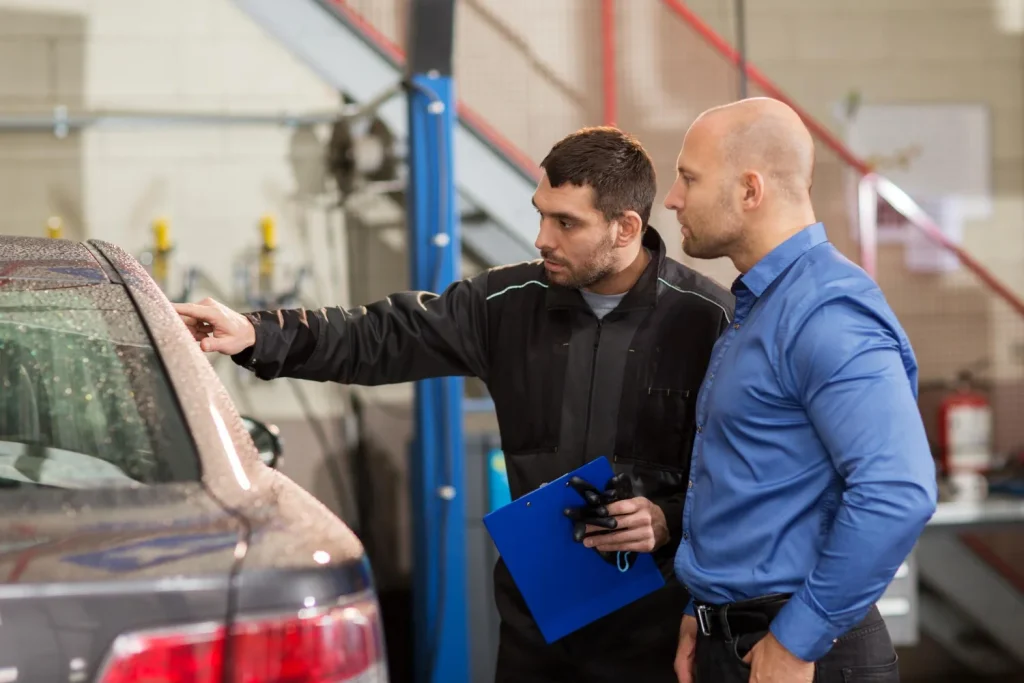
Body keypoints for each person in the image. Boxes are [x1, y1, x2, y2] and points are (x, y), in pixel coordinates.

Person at [173, 126, 734, 683]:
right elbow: (377, 336)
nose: (541, 238)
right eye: (541, 213)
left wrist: (671, 518)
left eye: (566, 222)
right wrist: (253, 333)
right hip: (538, 621)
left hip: (659, 626)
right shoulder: (505, 305)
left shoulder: (711, 322)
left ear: (626, 227)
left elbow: (753, 477)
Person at [663, 97, 938, 683]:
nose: (673, 198)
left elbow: (897, 491)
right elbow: (753, 487)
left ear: (750, 190)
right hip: (737, 638)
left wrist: (796, 640)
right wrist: (705, 609)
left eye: (689, 178)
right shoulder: (761, 307)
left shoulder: (826, 311)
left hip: (802, 653)